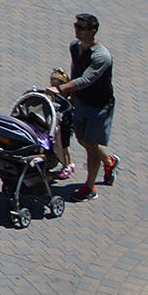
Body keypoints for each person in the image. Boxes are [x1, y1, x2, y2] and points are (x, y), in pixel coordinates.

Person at [50, 11, 117, 198]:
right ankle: (109, 160)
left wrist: (61, 88)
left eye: (81, 27)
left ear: (93, 31)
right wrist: (71, 95)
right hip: (81, 101)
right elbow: (76, 71)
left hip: (98, 106)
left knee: (91, 145)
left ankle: (89, 187)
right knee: (82, 140)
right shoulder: (74, 47)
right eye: (76, 26)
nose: (77, 30)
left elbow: (86, 79)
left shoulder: (102, 56)